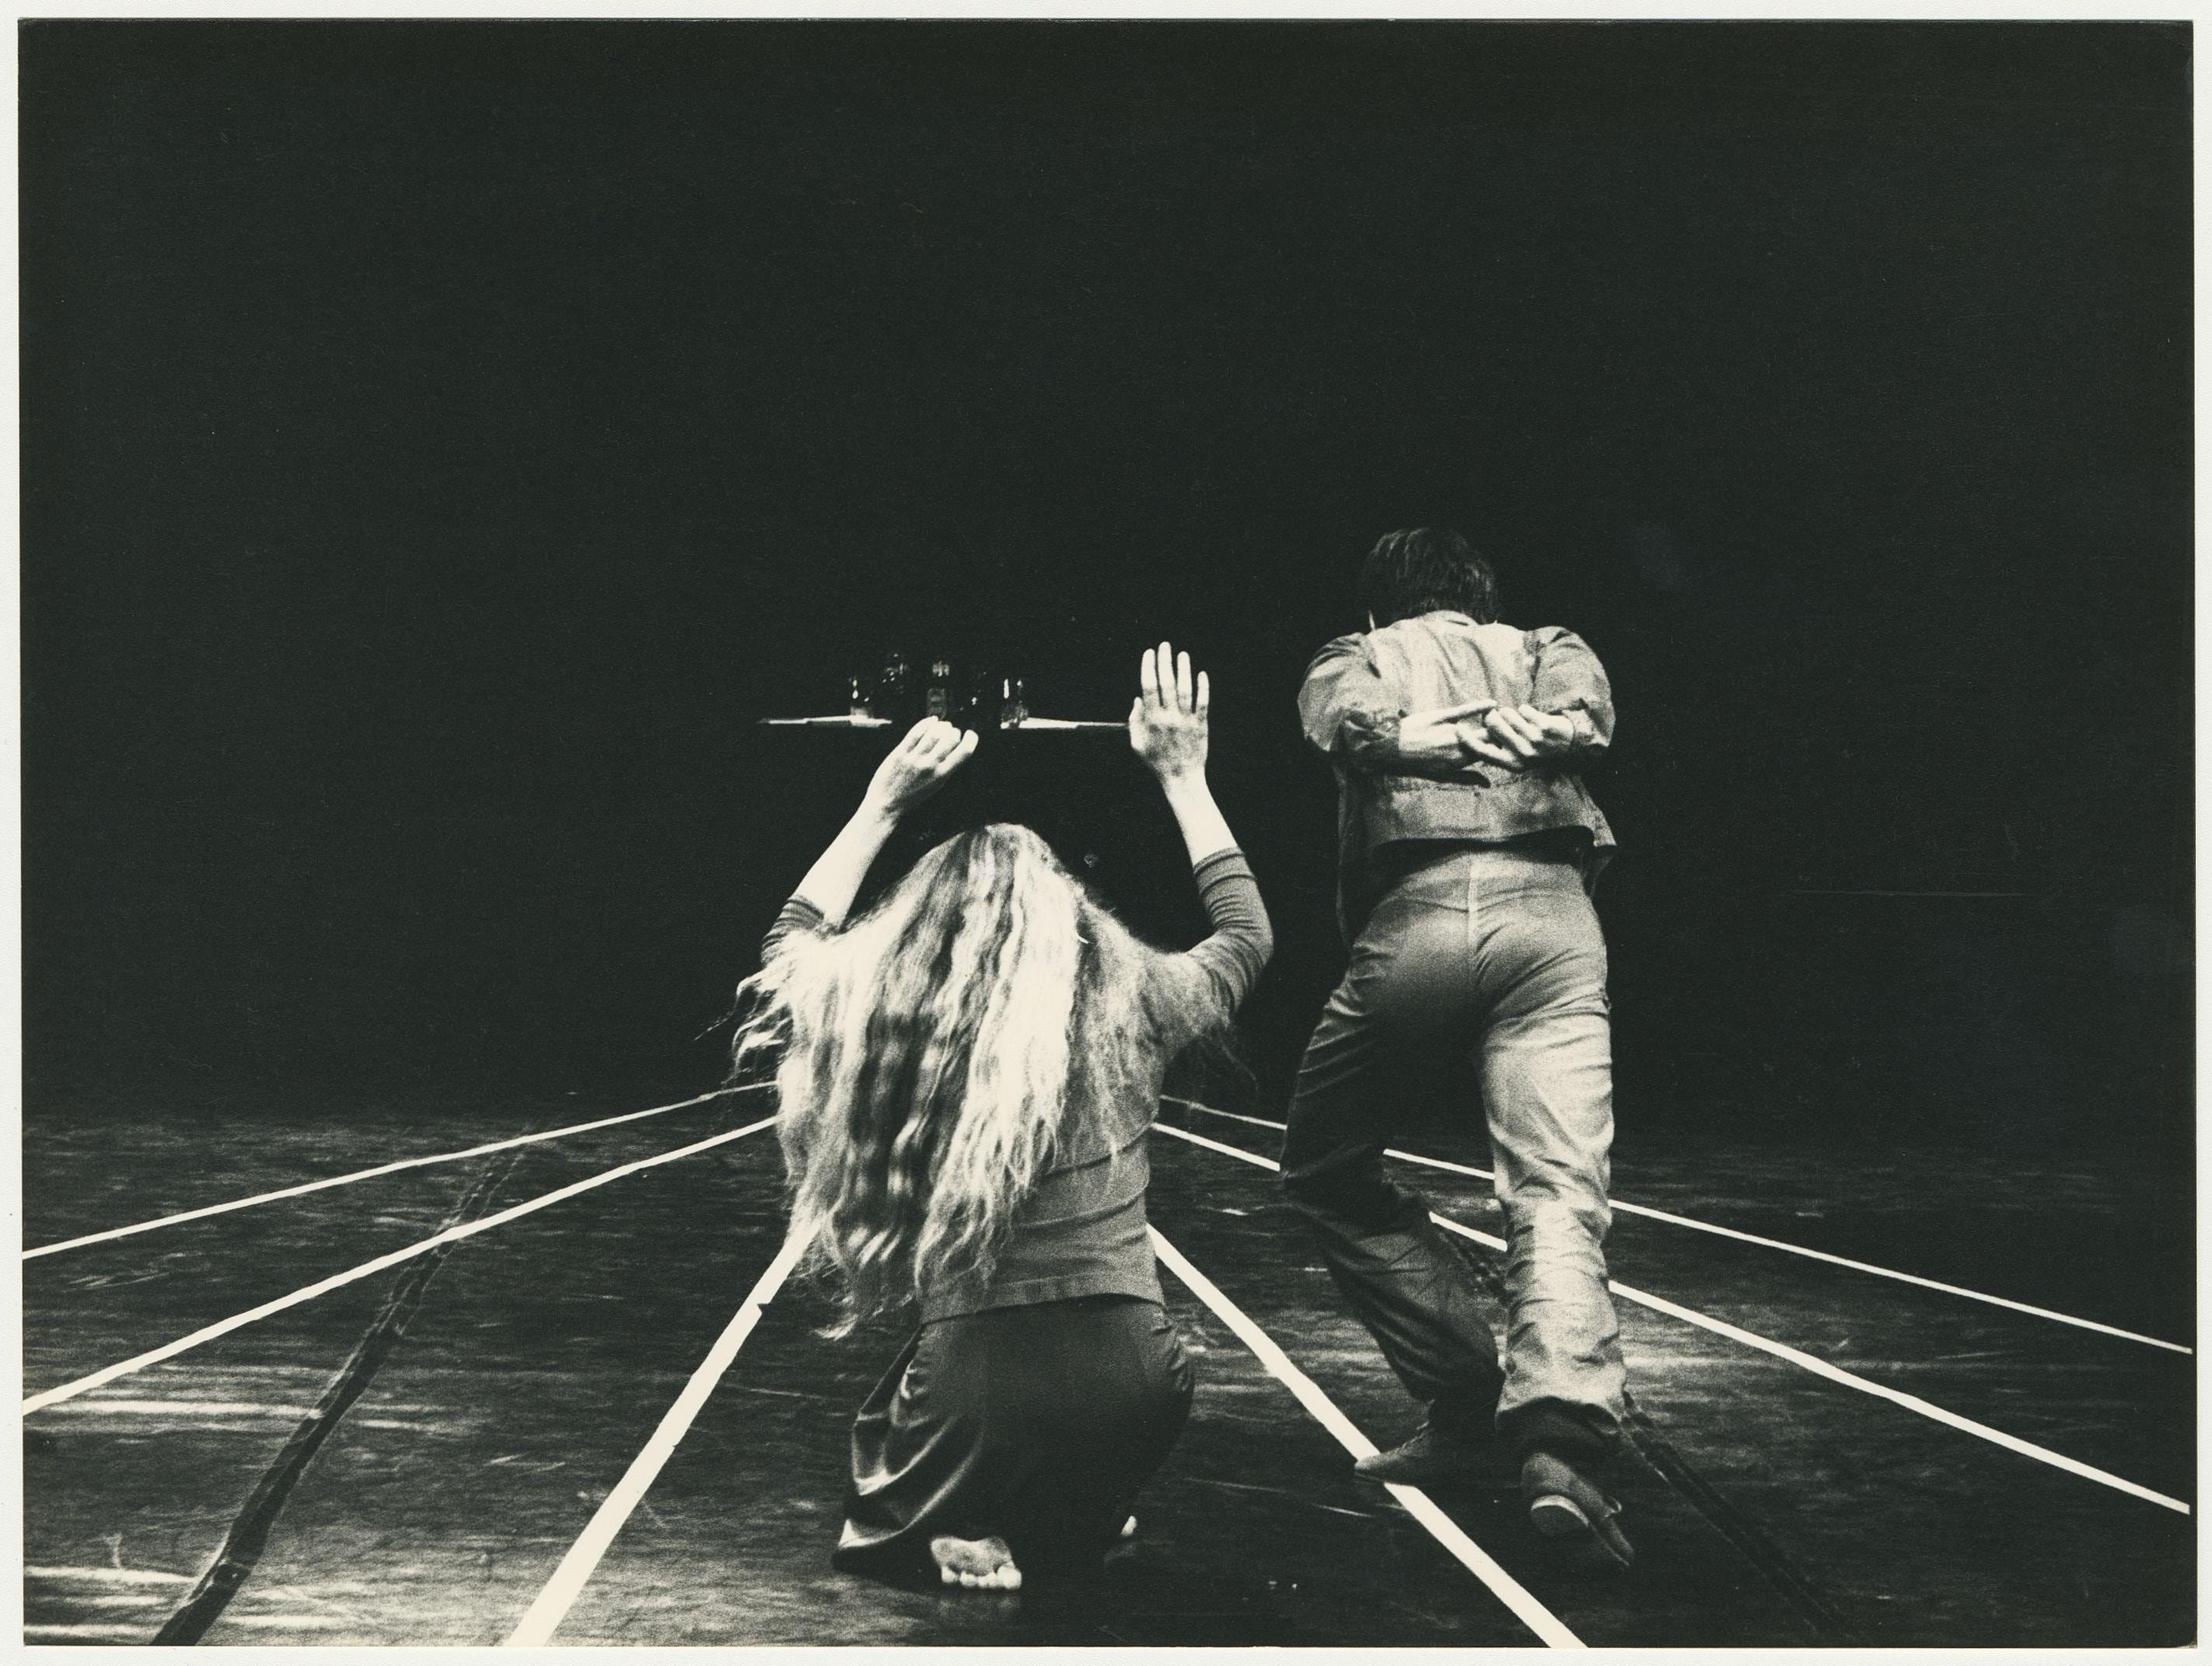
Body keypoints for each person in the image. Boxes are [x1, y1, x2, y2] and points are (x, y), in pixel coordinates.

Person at [735, 643, 1272, 1593]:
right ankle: (1074, 1506)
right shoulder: (1133, 996)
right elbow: (1246, 937)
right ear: (1072, 915)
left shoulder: (882, 1004)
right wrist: (1184, 779)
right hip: (1141, 1389)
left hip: (975, 1392)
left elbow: (791, 939)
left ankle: (951, 1526)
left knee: (886, 1440)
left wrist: (880, 808)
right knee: (1079, 1445)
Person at [1280, 526, 1634, 1568]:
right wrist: (1521, 728)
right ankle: (1561, 1438)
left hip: (1420, 912)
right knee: (1557, 1187)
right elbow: (1584, 715)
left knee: (1325, 1166)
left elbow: (1346, 720)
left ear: (1383, 604)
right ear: (1480, 598)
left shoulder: (1353, 650)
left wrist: (1417, 734)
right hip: (1554, 919)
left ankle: (1468, 1403)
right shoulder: (1548, 642)